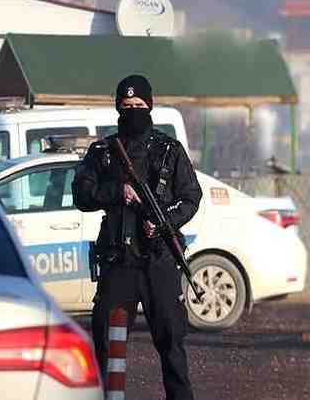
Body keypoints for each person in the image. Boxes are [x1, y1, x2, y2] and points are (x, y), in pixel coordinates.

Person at [72, 75, 202, 400]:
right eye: (126, 106)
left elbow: (190, 196)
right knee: (106, 344)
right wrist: (118, 192)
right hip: (118, 265)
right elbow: (82, 194)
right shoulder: (103, 152)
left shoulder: (169, 151)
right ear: (118, 108)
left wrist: (164, 222)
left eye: (139, 106)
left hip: (159, 262)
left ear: (150, 107)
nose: (133, 111)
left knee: (172, 343)